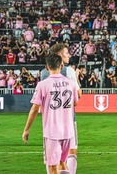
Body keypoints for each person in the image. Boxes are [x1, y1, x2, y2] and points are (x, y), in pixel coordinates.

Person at [22, 54, 79, 174]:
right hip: (68, 132)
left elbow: (34, 108)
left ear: (47, 67)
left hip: (52, 132)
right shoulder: (71, 83)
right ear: (61, 65)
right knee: (63, 163)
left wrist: (26, 129)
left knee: (53, 167)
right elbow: (75, 103)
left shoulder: (43, 84)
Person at [40, 43, 82, 174]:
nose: (69, 54)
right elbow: (78, 96)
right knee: (71, 152)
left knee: (52, 158)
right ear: (59, 56)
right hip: (68, 120)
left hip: (50, 123)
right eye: (66, 52)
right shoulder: (69, 71)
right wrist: (77, 77)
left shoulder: (43, 73)